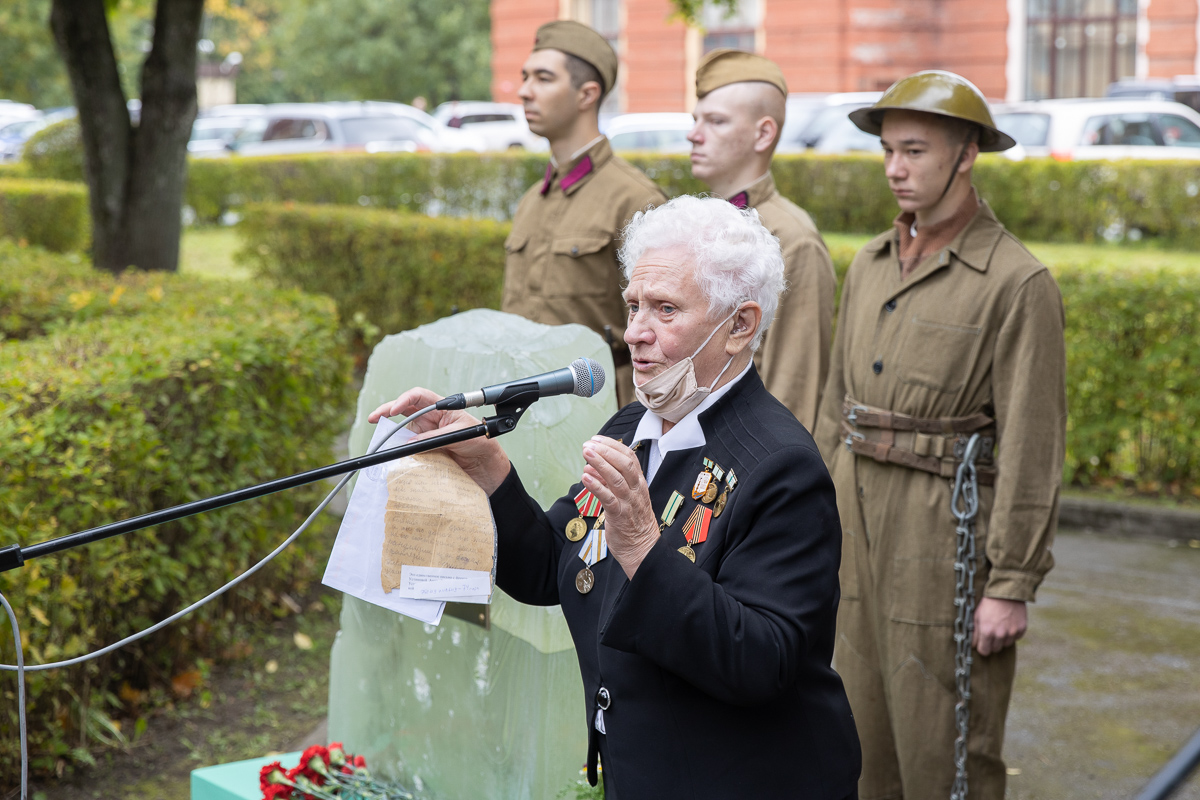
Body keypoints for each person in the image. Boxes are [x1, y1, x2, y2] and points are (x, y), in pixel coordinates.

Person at [372, 196, 861, 799]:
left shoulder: (782, 465)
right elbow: (552, 568)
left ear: (739, 325)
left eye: (665, 309)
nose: (634, 333)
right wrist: (489, 468)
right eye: (632, 306)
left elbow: (762, 663)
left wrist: (639, 544)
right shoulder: (632, 425)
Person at [813, 71, 1066, 800]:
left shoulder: (1016, 283)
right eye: (889, 150)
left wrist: (1011, 584)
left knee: (946, 748)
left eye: (915, 150)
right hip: (855, 534)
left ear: (967, 154)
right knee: (855, 743)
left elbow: (1032, 446)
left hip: (944, 542)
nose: (895, 168)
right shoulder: (865, 266)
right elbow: (836, 412)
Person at [502, 20, 667, 408]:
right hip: (523, 407)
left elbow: (664, 332)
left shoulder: (635, 200)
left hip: (601, 408)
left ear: (586, 94)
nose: (525, 91)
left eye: (543, 78)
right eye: (525, 77)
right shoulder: (532, 201)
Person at [687, 49, 836, 431]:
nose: (694, 134)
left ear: (763, 133)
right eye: (696, 120)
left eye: (716, 121)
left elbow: (793, 389)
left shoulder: (792, 239)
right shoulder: (693, 226)